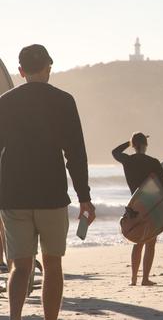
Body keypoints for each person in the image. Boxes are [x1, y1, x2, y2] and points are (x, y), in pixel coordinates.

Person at [0, 44, 96, 320]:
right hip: (51, 195)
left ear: (20, 71)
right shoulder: (64, 101)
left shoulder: (5, 102)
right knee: (53, 266)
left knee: (20, 267)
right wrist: (84, 197)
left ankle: (15, 317)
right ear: (48, 68)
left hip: (13, 195)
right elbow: (76, 153)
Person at [113, 132, 163, 286]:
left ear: (134, 145)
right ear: (145, 145)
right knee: (150, 241)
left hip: (134, 206)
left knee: (137, 241)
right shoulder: (153, 162)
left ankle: (134, 278)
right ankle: (145, 278)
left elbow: (115, 152)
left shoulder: (127, 160)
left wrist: (129, 143)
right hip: (150, 206)